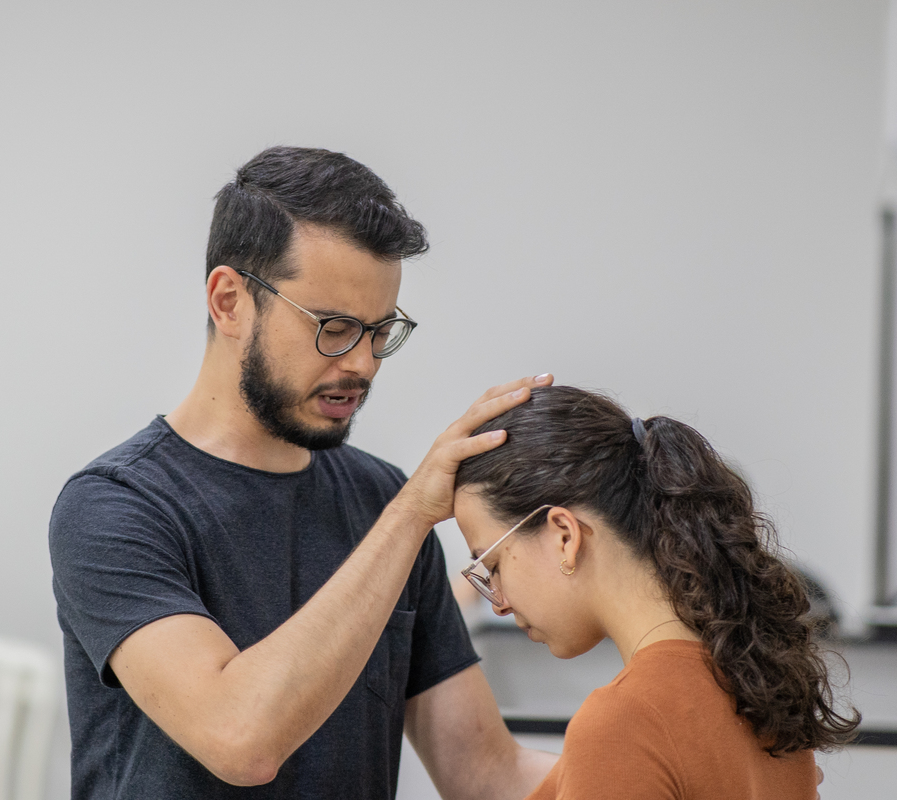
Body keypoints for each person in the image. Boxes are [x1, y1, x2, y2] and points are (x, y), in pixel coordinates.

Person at [49, 146, 558, 798]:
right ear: (230, 302)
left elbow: (488, 774)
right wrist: (406, 519)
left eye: (380, 332)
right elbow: (240, 739)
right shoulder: (115, 508)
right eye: (335, 327)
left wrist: (677, 748)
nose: (364, 364)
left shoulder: (384, 502)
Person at [452, 386, 859, 799]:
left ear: (563, 535)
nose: (499, 601)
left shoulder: (628, 720)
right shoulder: (760, 688)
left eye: (493, 565)